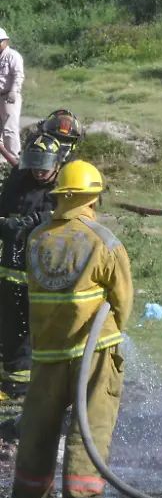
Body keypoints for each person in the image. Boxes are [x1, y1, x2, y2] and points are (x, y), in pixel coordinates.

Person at [12, 160, 132, 498]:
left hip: (48, 348)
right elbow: (122, 301)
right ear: (93, 198)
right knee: (91, 421)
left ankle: (28, 496)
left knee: (38, 424)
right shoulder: (104, 241)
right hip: (95, 350)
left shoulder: (36, 238)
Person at [0, 136, 63, 399]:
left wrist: (32, 222)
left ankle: (24, 386)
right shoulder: (18, 183)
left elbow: (60, 219)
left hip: (43, 277)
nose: (39, 170)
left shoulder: (62, 192)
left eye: (44, 165)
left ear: (57, 165)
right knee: (9, 327)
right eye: (34, 163)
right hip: (9, 272)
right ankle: (10, 382)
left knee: (33, 331)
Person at [0, 28, 24, 157]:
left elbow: (18, 75)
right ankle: (3, 162)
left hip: (9, 97)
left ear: (5, 41)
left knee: (9, 130)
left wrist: (14, 91)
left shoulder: (12, 56)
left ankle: (14, 160)